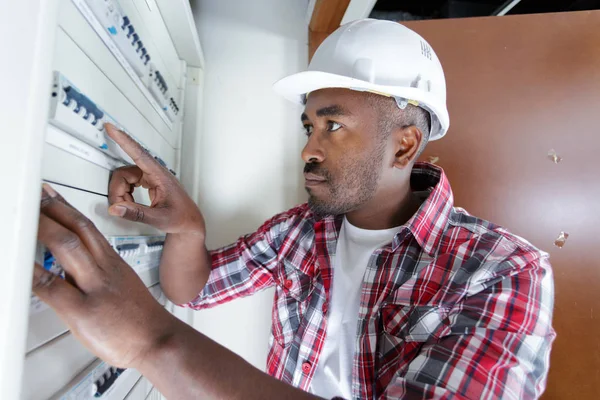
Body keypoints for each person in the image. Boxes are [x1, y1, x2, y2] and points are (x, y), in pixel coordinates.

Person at [33, 19, 555, 399]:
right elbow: (191, 290)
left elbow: (163, 320)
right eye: (309, 127)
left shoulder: (503, 270)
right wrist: (188, 228)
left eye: (333, 125)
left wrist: (152, 340)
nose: (308, 148)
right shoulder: (299, 233)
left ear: (403, 145)